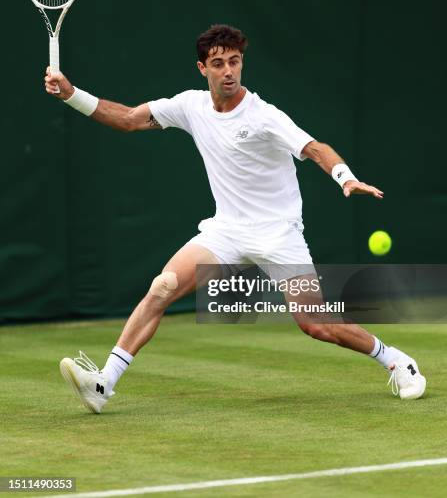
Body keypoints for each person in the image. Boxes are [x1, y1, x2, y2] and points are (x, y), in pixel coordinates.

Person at [45, 24, 426, 413]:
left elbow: (314, 148)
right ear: (202, 68)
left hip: (278, 233)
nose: (228, 71)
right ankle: (103, 383)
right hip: (226, 231)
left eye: (235, 62)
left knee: (317, 325)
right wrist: (71, 95)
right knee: (162, 287)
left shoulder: (264, 115)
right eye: (218, 63)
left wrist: (345, 178)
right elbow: (127, 118)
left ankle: (396, 360)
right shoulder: (190, 106)